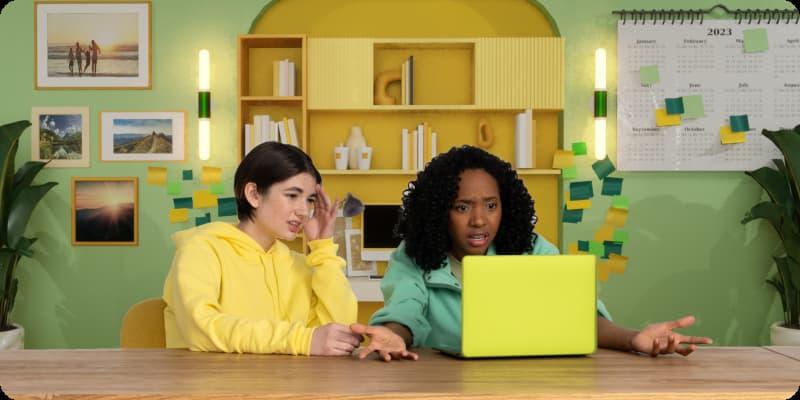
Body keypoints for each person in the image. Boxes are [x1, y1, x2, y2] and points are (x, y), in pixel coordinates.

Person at [351, 145, 712, 361]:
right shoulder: (412, 256)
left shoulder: (534, 249)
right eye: (462, 207)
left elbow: (578, 316)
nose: (479, 220)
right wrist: (393, 335)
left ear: (505, 206)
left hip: (529, 383)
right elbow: (405, 311)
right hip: (443, 388)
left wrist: (634, 338)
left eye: (491, 205)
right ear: (438, 212)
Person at [163, 142, 361, 355]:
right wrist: (301, 339)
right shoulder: (201, 250)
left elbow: (337, 337)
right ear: (254, 194)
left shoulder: (298, 265)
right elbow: (200, 329)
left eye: (309, 200)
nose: (304, 211)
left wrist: (323, 249)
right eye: (292, 195)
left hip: (286, 377)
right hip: (211, 376)